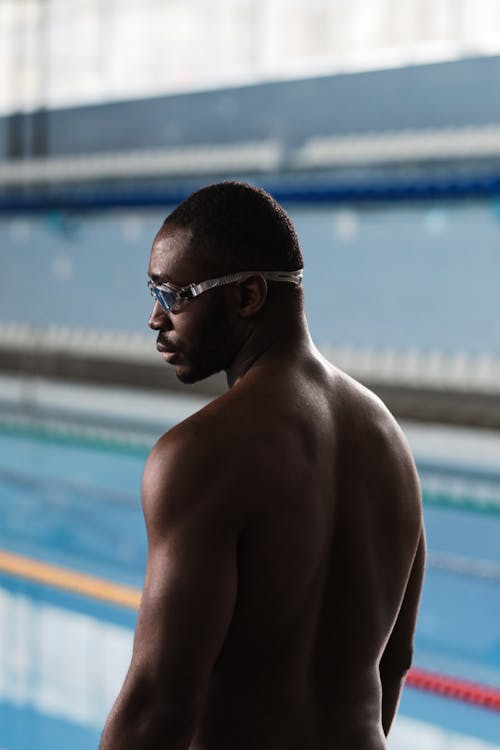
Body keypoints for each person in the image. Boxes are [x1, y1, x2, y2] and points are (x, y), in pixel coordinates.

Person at [99, 182, 425, 750]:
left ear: (249, 296)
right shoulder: (390, 441)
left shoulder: (199, 455)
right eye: (154, 292)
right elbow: (393, 664)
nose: (156, 318)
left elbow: (157, 709)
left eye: (176, 295)